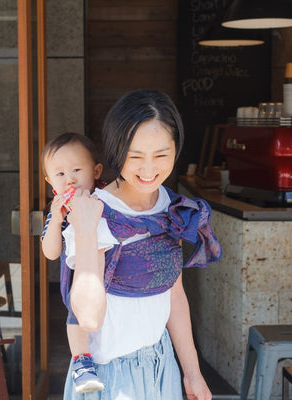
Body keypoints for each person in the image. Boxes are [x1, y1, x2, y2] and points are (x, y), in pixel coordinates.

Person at [62, 89, 222, 399]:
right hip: (107, 378)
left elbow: (174, 295)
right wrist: (84, 232)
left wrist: (192, 373)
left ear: (177, 150)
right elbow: (89, 317)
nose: (149, 170)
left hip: (162, 366)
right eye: (135, 157)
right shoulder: (94, 213)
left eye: (161, 155)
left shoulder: (169, 207)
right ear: (115, 150)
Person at [40, 132, 106, 393]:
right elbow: (50, 252)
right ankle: (81, 362)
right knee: (76, 314)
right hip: (79, 278)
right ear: (50, 182)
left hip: (110, 273)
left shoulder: (106, 199)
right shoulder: (59, 209)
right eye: (59, 174)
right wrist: (56, 219)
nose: (69, 179)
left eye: (77, 169)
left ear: (97, 170)